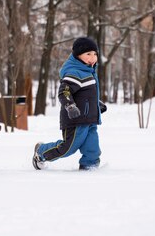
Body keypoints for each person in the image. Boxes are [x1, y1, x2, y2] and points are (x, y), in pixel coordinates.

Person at [32, 36, 107, 171]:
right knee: (68, 148)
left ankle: (89, 167)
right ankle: (41, 152)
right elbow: (64, 92)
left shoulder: (89, 71)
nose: (93, 57)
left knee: (92, 148)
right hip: (75, 120)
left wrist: (97, 104)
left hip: (89, 120)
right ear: (78, 55)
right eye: (88, 54)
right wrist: (70, 106)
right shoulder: (74, 73)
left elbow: (86, 94)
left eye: (95, 54)